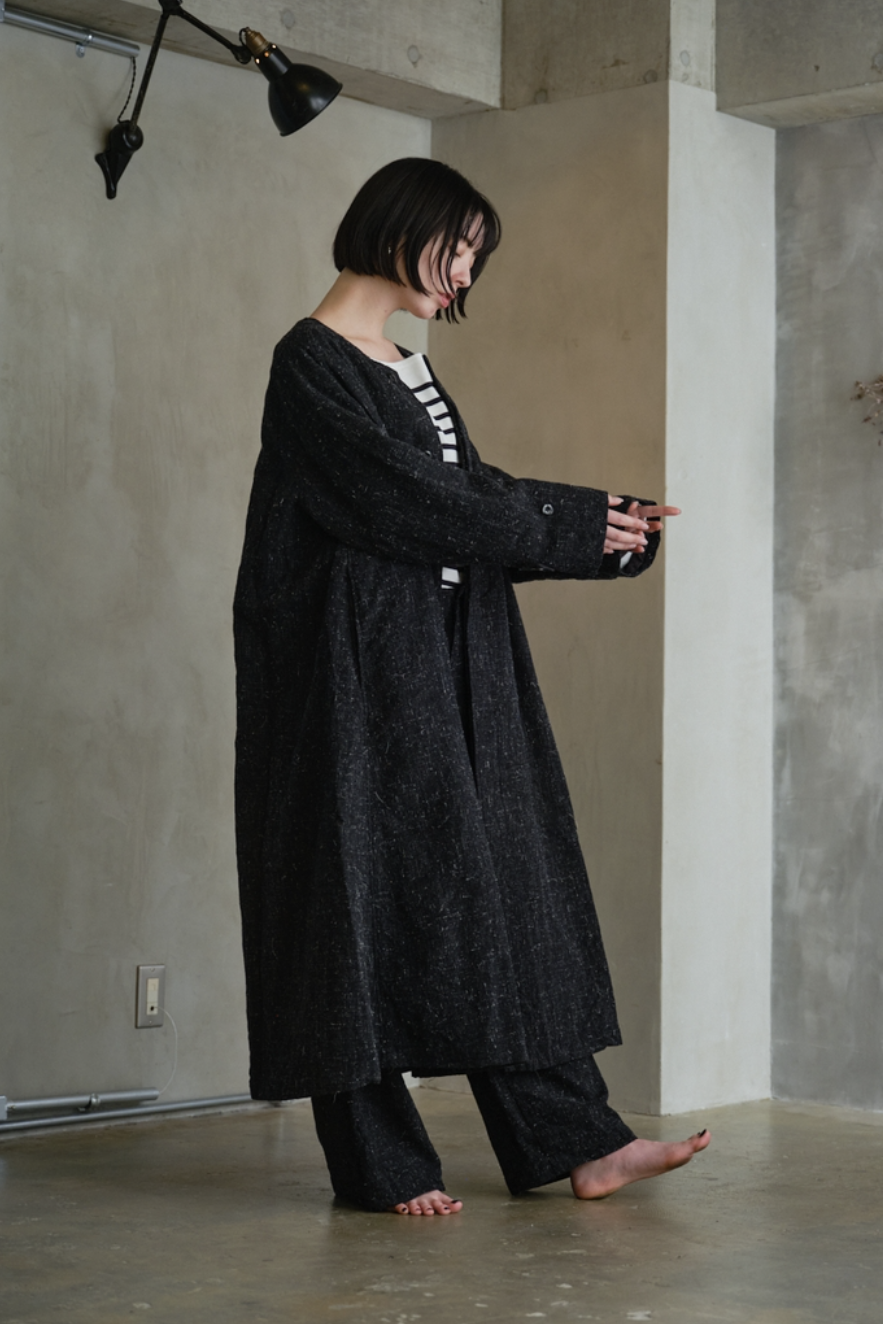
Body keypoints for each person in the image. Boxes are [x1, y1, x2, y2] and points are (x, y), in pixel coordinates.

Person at [233, 157, 709, 1217]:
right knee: (350, 900)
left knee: (499, 893)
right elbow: (396, 497)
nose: (463, 274)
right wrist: (565, 523)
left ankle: (581, 1141)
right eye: (458, 249)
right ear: (400, 226)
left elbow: (466, 495)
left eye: (474, 259)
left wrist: (600, 527)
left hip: (451, 660)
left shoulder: (406, 363)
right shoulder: (308, 362)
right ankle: (384, 1166)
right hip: (356, 681)